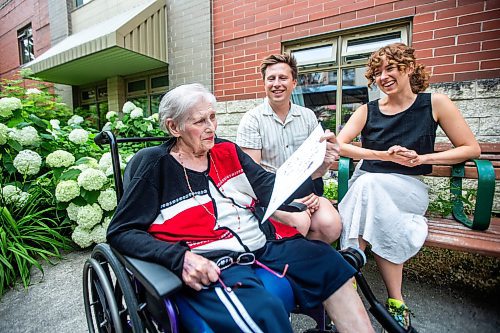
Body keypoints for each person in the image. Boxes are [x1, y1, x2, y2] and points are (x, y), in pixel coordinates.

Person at [106, 83, 374, 333]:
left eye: (212, 117)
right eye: (200, 121)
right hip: (214, 261)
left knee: (328, 260)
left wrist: (316, 166)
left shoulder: (227, 151)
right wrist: (180, 259)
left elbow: (272, 187)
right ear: (174, 127)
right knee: (263, 311)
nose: (211, 126)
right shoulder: (155, 166)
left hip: (261, 246)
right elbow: (121, 231)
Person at [336, 43, 481, 329]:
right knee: (370, 188)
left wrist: (423, 158)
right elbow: (340, 145)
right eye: (377, 72)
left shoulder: (435, 103)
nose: (383, 76)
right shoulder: (368, 110)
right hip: (369, 185)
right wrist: (380, 155)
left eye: (390, 68)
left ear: (409, 67)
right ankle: (396, 299)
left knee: (368, 187)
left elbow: (471, 148)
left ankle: (349, 280)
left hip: (408, 188)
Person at [236, 53, 342, 243]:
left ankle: (305, 259)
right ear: (264, 83)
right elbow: (253, 175)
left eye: (283, 78)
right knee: (299, 223)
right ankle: (288, 259)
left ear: (294, 82)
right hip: (269, 196)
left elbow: (314, 168)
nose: (277, 83)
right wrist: (289, 202)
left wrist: (326, 162)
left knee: (331, 225)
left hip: (305, 189)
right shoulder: (252, 120)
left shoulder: (308, 117)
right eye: (271, 78)